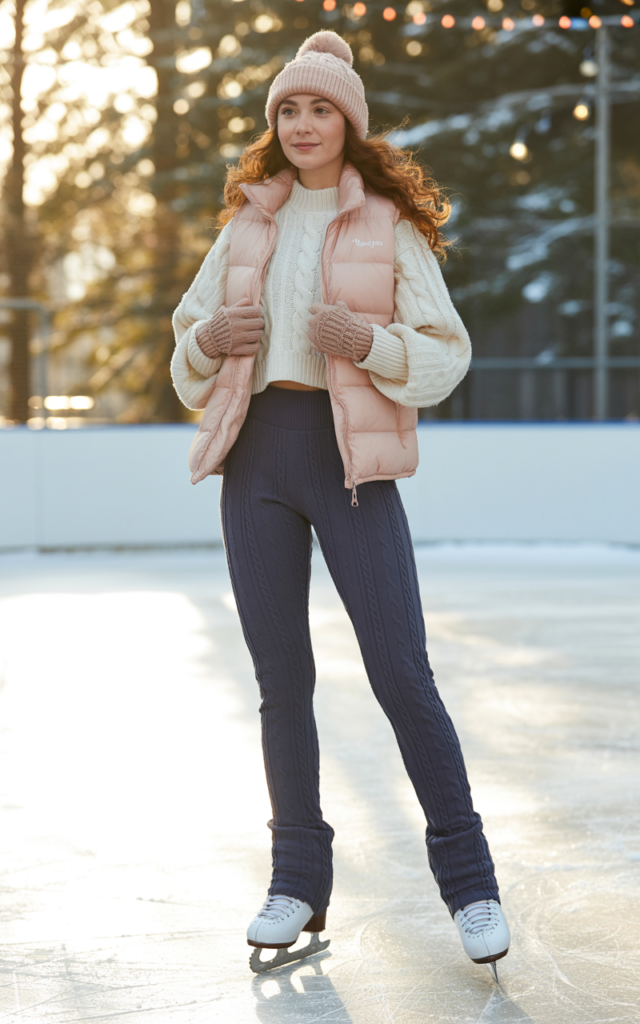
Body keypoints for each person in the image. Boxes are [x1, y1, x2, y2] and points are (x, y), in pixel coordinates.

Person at [171, 30, 510, 974]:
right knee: (284, 682)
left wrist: (366, 341)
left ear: (347, 123)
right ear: (273, 125)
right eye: (288, 109)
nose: (304, 123)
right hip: (258, 462)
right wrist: (210, 342)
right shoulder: (245, 226)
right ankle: (296, 883)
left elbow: (446, 355)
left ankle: (472, 885)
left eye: (320, 108)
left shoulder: (387, 228)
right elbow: (185, 350)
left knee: (402, 673)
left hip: (350, 461)